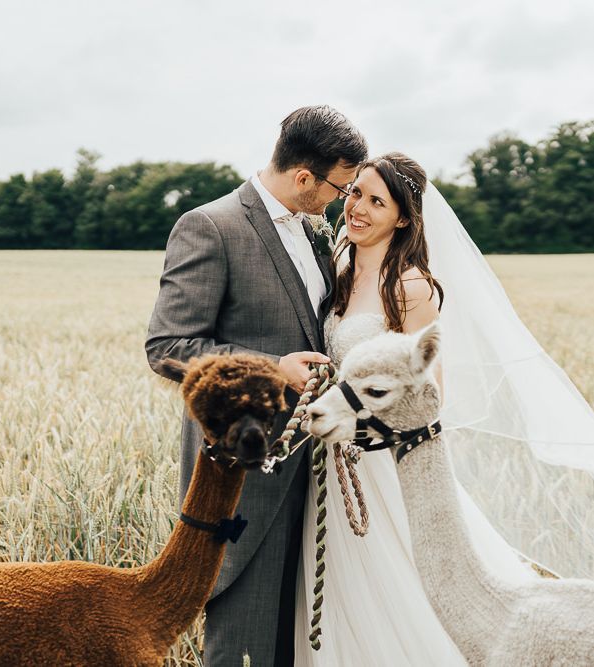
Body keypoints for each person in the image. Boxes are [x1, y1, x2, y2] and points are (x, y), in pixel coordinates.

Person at [294, 152, 594, 665]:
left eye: (376, 201)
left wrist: (365, 430)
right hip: (328, 466)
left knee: (399, 590)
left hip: (380, 463)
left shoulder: (410, 287)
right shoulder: (338, 268)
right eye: (355, 193)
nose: (357, 209)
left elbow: (431, 394)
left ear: (404, 217)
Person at [145, 105, 368, 666]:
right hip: (245, 473)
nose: (341, 203)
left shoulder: (316, 236)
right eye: (339, 189)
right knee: (241, 646)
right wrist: (274, 368)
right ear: (303, 178)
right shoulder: (211, 227)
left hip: (313, 466)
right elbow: (169, 347)